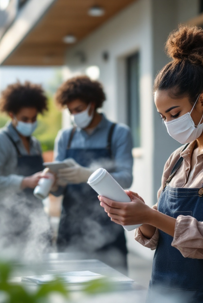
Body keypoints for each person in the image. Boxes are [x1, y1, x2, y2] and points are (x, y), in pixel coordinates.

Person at [99, 26, 203, 302]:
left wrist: (151, 216)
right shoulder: (177, 159)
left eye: (174, 113)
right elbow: (158, 238)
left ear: (202, 101)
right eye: (162, 116)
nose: (168, 123)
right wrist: (140, 215)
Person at [51, 76, 134, 273]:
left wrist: (87, 175)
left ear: (93, 104)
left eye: (78, 109)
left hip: (108, 225)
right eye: (71, 111)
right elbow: (58, 190)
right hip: (70, 228)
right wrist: (54, 183)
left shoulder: (118, 133)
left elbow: (126, 178)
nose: (74, 115)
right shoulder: (65, 137)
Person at [0, 81, 52, 260]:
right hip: (7, 223)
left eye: (33, 119)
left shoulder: (35, 144)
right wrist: (24, 182)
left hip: (36, 219)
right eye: (24, 119)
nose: (30, 123)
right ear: (12, 115)